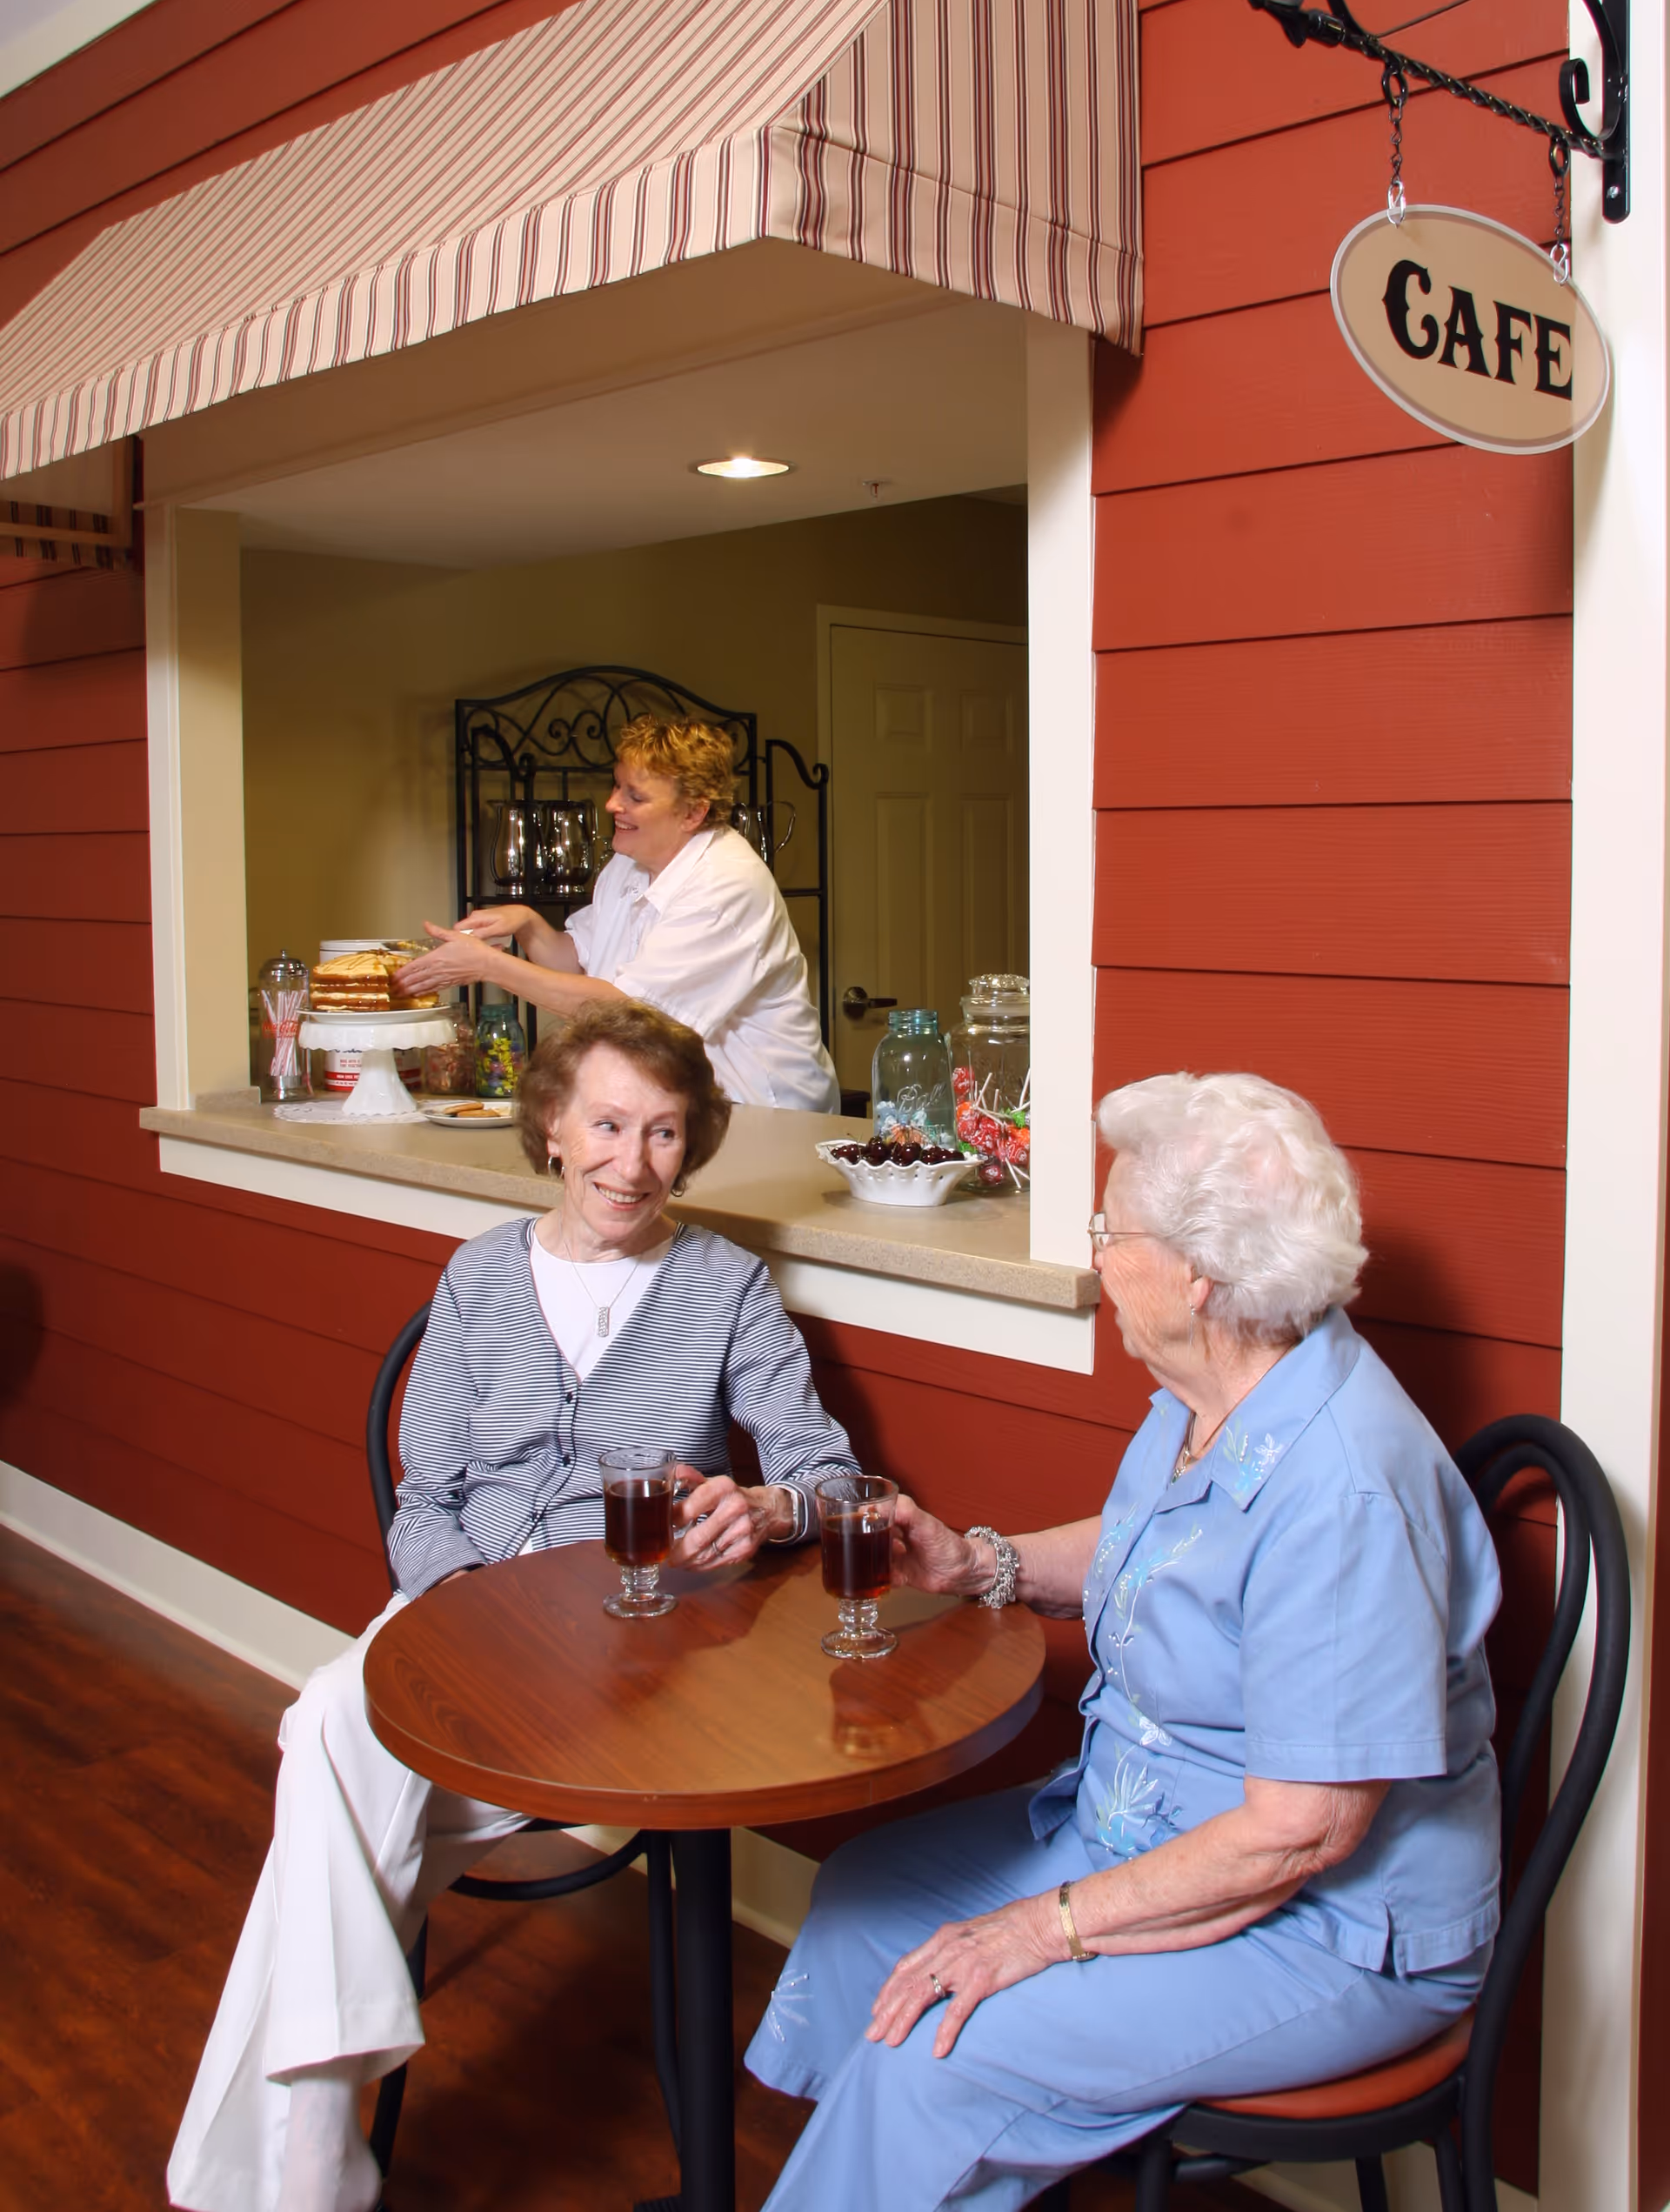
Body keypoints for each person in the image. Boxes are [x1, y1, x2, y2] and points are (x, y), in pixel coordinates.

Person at [745, 1071, 1502, 2211]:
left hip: (1329, 1930)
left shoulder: (1346, 1492)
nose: (1098, 1256)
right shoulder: (1221, 1379)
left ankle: (892, 2154)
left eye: (1110, 1231)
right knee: (861, 1904)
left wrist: (1042, 1930)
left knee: (935, 2045)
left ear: (1196, 1276)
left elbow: (1300, 1837)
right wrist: (976, 1563)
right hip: (1141, 1826)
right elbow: (1161, 1543)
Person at [168, 1000, 858, 2212]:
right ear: (550, 1128)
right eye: (604, 1124)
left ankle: (303, 2163)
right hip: (468, 1605)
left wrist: (768, 1510)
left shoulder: (725, 1285)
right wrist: (469, 1607)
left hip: (630, 1638)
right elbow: (423, 1502)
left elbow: (828, 1472)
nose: (629, 1164)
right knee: (334, 1716)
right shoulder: (478, 1274)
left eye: (661, 1133)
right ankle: (312, 2155)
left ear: (689, 1145)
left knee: (325, 1757)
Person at [394, 714, 838, 1111]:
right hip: (674, 1103)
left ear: (693, 812)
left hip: (763, 1113)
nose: (611, 805)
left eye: (635, 796)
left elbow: (630, 1017)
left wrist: (490, 966)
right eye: (616, 785)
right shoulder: (628, 864)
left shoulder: (725, 885)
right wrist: (527, 924)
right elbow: (578, 959)